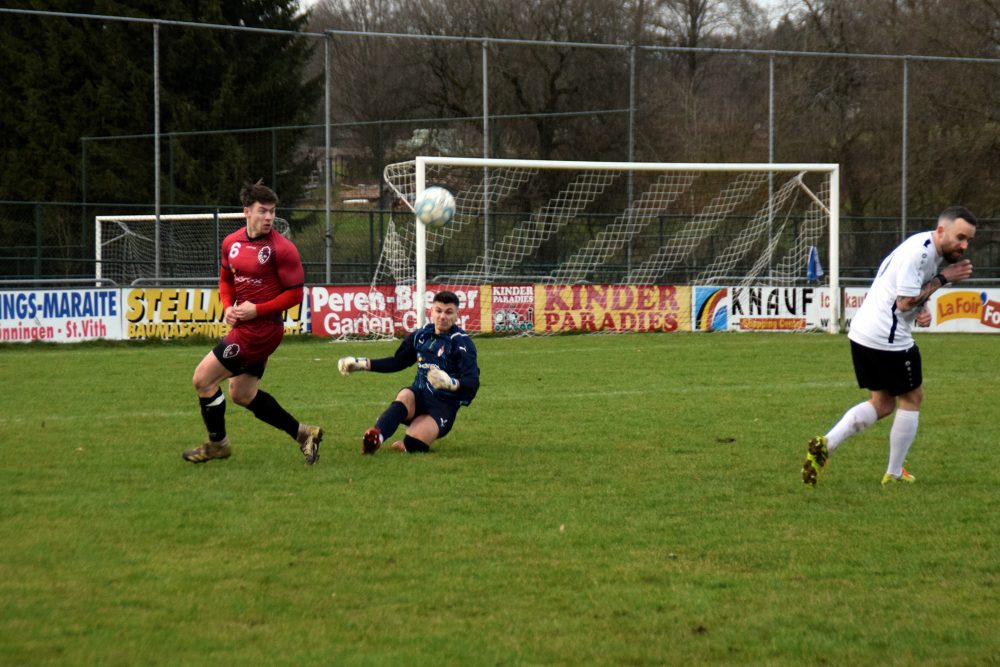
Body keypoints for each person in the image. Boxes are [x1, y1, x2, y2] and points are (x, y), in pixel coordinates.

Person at [802, 205, 976, 486]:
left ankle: (826, 444)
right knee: (912, 397)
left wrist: (922, 308)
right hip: (887, 337)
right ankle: (893, 474)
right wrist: (945, 279)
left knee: (882, 404)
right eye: (960, 237)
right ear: (941, 230)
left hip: (863, 333)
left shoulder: (925, 246)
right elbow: (904, 301)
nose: (964, 245)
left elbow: (907, 292)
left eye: (968, 240)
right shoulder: (920, 254)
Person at [183, 180, 323, 464]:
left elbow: (295, 294)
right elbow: (226, 280)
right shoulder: (231, 243)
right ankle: (304, 434)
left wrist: (256, 310)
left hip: (262, 330)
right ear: (246, 211)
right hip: (246, 326)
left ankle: (218, 444)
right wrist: (227, 307)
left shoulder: (282, 249)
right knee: (242, 394)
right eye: (263, 211)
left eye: (272, 211)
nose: (269, 217)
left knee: (203, 379)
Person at [337, 290, 479, 454]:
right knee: (405, 395)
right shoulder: (421, 335)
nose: (442, 317)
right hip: (419, 397)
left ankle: (408, 442)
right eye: (438, 311)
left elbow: (472, 383)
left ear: (456, 315)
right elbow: (398, 361)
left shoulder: (462, 343)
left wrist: (451, 383)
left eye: (448, 312)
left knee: (414, 444)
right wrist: (361, 364)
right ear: (431, 311)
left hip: (443, 406)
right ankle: (377, 437)